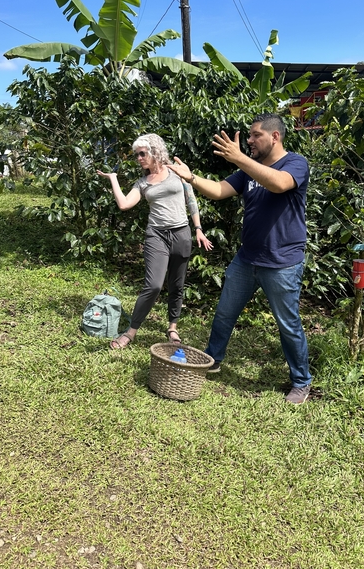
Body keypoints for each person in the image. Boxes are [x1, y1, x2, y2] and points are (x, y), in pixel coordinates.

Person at [166, 113, 311, 404]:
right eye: (249, 135)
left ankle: (301, 381)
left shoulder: (296, 163)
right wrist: (192, 178)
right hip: (247, 258)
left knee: (288, 324)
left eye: (255, 135)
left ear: (275, 136)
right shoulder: (248, 172)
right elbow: (220, 190)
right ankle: (213, 359)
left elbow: (279, 184)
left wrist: (240, 159)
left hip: (282, 262)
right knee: (224, 314)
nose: (249, 140)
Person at [97, 133, 213, 349]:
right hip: (156, 235)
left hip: (181, 233)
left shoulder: (176, 171)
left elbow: (191, 199)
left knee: (177, 284)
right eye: (136, 155)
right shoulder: (142, 183)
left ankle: (172, 327)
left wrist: (198, 228)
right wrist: (113, 179)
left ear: (155, 151)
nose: (139, 158)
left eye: (142, 153)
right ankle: (131, 332)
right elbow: (124, 204)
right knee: (153, 285)